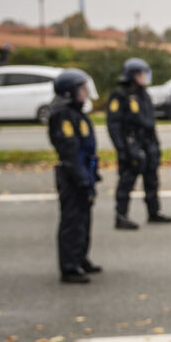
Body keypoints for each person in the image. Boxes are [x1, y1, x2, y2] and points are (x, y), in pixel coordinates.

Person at [48, 69, 101, 283]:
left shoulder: (77, 112)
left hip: (83, 173)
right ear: (69, 92)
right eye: (82, 89)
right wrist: (82, 179)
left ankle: (80, 258)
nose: (86, 92)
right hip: (73, 175)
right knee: (72, 221)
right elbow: (70, 151)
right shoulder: (63, 115)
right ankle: (69, 267)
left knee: (84, 219)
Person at [106, 58, 171, 229]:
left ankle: (154, 212)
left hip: (148, 143)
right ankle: (121, 216)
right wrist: (122, 149)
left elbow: (150, 123)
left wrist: (156, 146)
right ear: (132, 75)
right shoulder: (120, 95)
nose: (144, 77)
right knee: (127, 181)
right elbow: (114, 125)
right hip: (131, 144)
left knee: (152, 180)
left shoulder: (144, 94)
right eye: (141, 74)